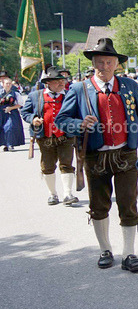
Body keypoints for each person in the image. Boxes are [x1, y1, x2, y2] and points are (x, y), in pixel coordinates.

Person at [56, 38, 138, 272]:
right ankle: (105, 249)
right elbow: (62, 120)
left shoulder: (129, 86)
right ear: (94, 63)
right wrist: (79, 123)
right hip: (95, 156)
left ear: (117, 64)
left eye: (109, 62)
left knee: (129, 203)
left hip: (126, 154)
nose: (104, 67)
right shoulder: (79, 88)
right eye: (100, 62)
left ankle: (129, 253)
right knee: (99, 205)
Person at [21, 66, 79, 206]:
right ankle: (52, 194)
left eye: (62, 81)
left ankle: (67, 194)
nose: (61, 84)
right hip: (45, 137)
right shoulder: (36, 96)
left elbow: (77, 113)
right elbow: (25, 112)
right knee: (47, 166)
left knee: (66, 164)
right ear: (48, 83)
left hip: (66, 136)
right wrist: (33, 118)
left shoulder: (69, 95)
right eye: (57, 82)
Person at [1, 70, 26, 151]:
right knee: (2, 128)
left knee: (10, 127)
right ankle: (5, 143)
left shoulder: (15, 92)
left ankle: (10, 144)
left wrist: (11, 108)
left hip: (11, 112)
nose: (8, 85)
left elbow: (20, 103)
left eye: (9, 83)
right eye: (6, 83)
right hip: (1, 112)